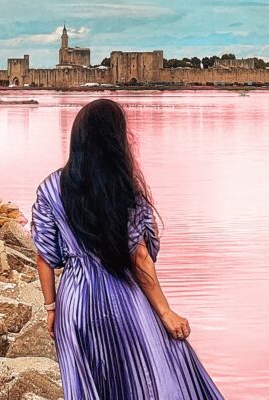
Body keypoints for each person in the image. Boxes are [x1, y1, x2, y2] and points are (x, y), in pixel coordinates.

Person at [30, 99, 224, 399]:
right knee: (144, 378)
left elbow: (45, 256)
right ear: (115, 139)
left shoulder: (50, 187)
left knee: (89, 385)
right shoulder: (122, 187)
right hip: (123, 295)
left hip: (75, 303)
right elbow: (140, 255)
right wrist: (165, 311)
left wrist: (52, 308)